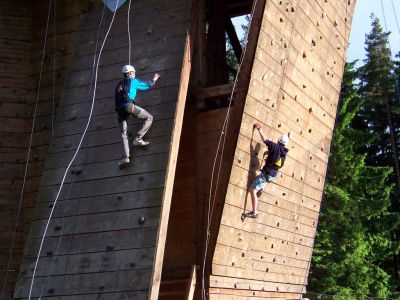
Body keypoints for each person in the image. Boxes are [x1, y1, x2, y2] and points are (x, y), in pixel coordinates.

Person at [115, 65, 160, 167]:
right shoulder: (133, 81)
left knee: (124, 134)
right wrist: (154, 79)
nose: (135, 74)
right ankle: (138, 138)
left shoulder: (118, 84)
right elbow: (146, 85)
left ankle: (126, 157)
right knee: (149, 117)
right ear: (130, 73)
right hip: (128, 107)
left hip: (119, 111)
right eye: (134, 72)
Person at [244, 123, 289, 218]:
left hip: (266, 174)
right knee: (262, 181)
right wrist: (269, 153)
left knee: (252, 190)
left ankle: (254, 212)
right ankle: (262, 187)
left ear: (278, 140)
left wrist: (259, 130)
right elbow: (278, 160)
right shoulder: (284, 153)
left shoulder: (275, 147)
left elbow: (265, 140)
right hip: (272, 175)